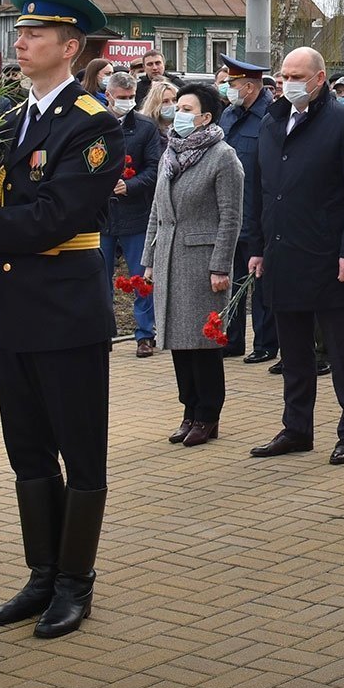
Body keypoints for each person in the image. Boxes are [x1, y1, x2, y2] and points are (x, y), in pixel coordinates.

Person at [0, 0, 124, 640]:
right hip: (15, 308)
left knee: (80, 453)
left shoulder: (92, 126)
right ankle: (40, 575)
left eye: (35, 32)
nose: (21, 40)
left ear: (70, 47)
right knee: (28, 453)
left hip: (67, 311)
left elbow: (52, 216)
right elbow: (8, 210)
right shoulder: (12, 119)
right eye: (20, 31)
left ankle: (75, 584)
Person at [246, 48, 344, 465]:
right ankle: (296, 428)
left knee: (343, 352)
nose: (287, 82)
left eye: (297, 75)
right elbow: (260, 191)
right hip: (283, 252)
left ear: (320, 78)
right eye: (283, 75)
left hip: (329, 256)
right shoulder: (272, 121)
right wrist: (256, 248)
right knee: (294, 353)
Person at [141, 82, 242, 446]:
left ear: (205, 117)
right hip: (169, 255)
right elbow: (156, 210)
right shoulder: (171, 153)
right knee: (178, 342)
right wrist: (149, 259)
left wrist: (221, 266)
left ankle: (208, 415)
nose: (177, 114)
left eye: (185, 109)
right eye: (176, 107)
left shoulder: (223, 156)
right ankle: (189, 410)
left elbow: (231, 217)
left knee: (202, 343)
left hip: (202, 261)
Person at [219, 57, 279, 368]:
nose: (228, 89)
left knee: (263, 283)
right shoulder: (228, 114)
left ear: (249, 86)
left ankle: (267, 342)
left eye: (231, 84)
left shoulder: (271, 115)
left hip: (259, 211)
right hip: (230, 212)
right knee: (233, 280)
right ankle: (232, 339)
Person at [99, 71, 163, 357]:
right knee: (99, 278)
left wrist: (130, 185)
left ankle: (145, 334)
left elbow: (154, 168)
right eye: (121, 98)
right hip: (100, 216)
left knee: (141, 278)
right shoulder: (94, 123)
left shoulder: (146, 128)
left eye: (131, 98)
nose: (127, 103)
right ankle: (101, 331)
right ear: (109, 95)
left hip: (135, 214)